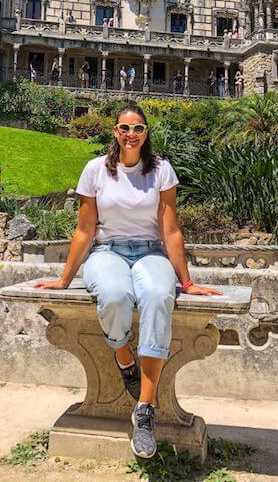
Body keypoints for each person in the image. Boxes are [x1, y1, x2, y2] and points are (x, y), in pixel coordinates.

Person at [34, 104, 221, 458]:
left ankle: (145, 411)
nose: (131, 134)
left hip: (151, 252)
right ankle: (124, 359)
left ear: (146, 133)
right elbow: (85, 229)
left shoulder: (161, 170)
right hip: (108, 251)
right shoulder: (96, 171)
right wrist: (64, 279)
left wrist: (187, 281)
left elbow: (170, 228)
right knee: (116, 295)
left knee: (155, 294)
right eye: (124, 128)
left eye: (138, 129)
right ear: (115, 133)